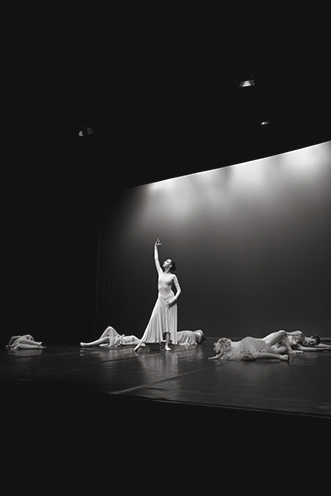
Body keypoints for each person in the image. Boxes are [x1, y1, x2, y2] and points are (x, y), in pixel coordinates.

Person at [134, 238, 181, 352]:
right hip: (160, 300)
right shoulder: (160, 272)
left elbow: (179, 290)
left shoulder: (173, 276)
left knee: (168, 323)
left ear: (170, 265)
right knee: (153, 318)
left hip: (170, 301)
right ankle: (141, 342)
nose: (164, 262)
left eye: (167, 261)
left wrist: (173, 300)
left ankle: (166, 345)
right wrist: (155, 247)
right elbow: (156, 259)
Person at [209, 330, 297, 362]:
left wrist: (217, 356)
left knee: (281, 333)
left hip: (248, 343)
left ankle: (287, 352)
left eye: (214, 347)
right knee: (269, 346)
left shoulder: (224, 342)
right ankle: (285, 351)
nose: (214, 349)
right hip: (251, 344)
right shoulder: (227, 352)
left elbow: (225, 347)